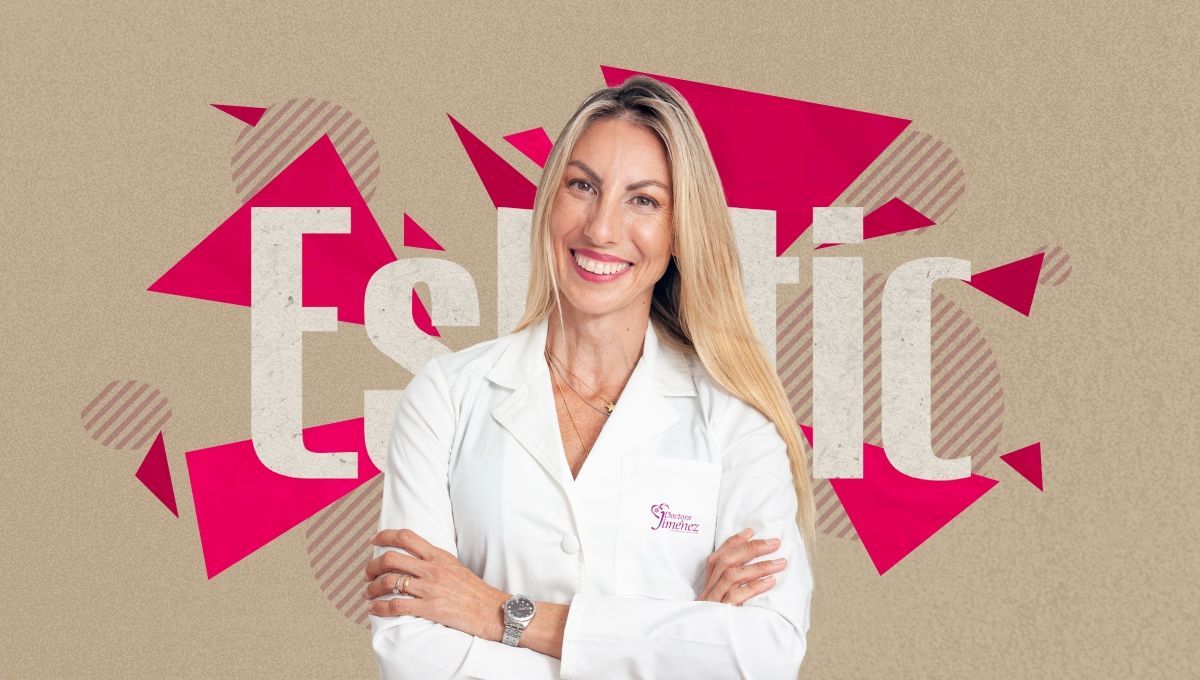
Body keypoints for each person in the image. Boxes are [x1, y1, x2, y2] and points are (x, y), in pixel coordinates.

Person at [364, 75, 817, 679]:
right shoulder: (446, 398)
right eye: (583, 186)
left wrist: (500, 614)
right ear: (549, 202)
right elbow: (412, 652)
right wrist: (679, 639)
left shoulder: (736, 423)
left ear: (681, 233)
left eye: (644, 200)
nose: (601, 228)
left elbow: (764, 654)